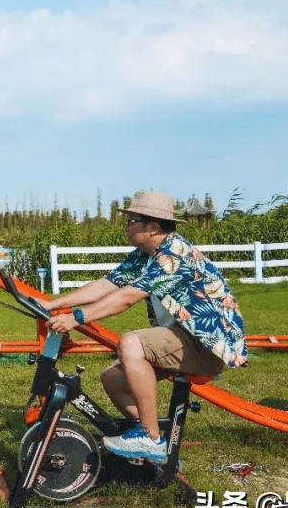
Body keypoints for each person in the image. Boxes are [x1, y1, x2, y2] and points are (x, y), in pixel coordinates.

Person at [37, 190, 248, 463]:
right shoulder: (144, 254)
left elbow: (126, 297)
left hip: (206, 343)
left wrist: (76, 318)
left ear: (152, 227)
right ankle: (150, 436)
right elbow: (108, 284)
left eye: (131, 221)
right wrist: (52, 305)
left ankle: (149, 439)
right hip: (184, 337)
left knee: (131, 343)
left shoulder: (173, 253)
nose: (126, 228)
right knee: (112, 378)